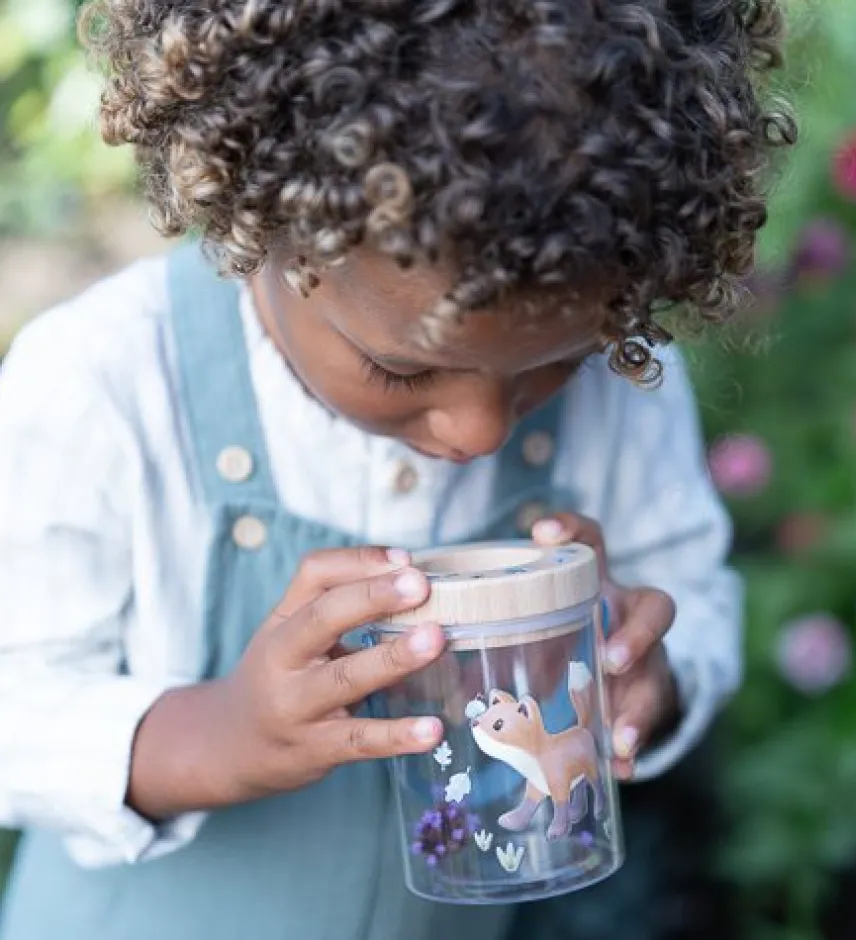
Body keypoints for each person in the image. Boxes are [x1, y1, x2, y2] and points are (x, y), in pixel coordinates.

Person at [0, 1, 794, 938]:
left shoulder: (625, 384)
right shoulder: (106, 383)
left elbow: (691, 589)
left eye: (556, 364)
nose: (479, 432)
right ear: (267, 217)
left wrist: (642, 672)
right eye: (402, 370)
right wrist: (222, 733)